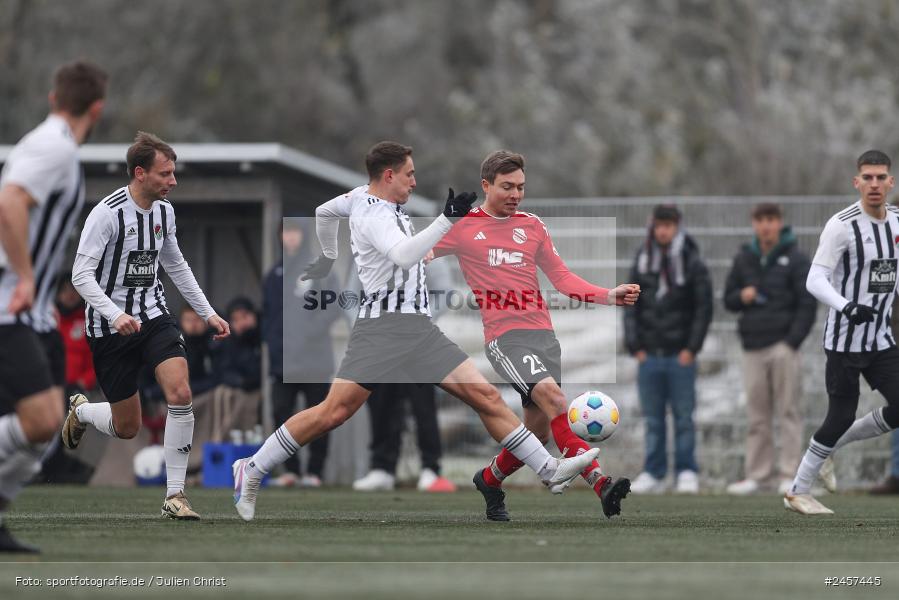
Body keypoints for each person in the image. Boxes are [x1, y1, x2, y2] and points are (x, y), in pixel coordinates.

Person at [232, 141, 599, 521]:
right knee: (332, 412)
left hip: (417, 328)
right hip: (383, 329)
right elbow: (403, 255)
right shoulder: (374, 215)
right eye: (409, 174)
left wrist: (326, 256)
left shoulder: (359, 196)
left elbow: (323, 211)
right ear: (388, 175)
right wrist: (446, 220)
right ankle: (253, 467)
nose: (414, 181)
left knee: (487, 396)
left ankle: (549, 470)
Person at [430, 150, 638, 520]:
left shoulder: (533, 226)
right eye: (507, 187)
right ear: (486, 185)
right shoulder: (464, 227)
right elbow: (417, 255)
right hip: (505, 338)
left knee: (538, 435)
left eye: (521, 187)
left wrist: (607, 294)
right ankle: (601, 484)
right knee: (557, 400)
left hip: (544, 336)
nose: (515, 194)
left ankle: (489, 480)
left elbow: (562, 278)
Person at [63, 132, 230, 520]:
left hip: (154, 316)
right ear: (140, 173)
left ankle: (175, 494)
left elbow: (176, 265)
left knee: (180, 390)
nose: (173, 181)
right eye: (166, 173)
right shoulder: (106, 214)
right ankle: (84, 412)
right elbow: (80, 275)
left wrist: (207, 312)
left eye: (174, 173)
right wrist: (114, 314)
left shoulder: (164, 212)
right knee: (128, 427)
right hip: (109, 328)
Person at [0, 60, 107, 553]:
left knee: (43, 431)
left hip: (34, 315)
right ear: (98, 108)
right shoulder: (53, 146)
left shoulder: (55, 145)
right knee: (43, 420)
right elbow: (10, 201)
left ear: (52, 97)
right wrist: (23, 275)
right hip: (10, 308)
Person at [785, 150, 899, 515]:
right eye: (868, 177)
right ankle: (798, 491)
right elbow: (814, 279)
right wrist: (847, 306)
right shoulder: (842, 225)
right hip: (845, 340)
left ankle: (831, 447)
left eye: (881, 177)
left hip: (881, 339)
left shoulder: (897, 222)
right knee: (840, 416)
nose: (875, 184)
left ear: (891, 182)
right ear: (857, 182)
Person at [723, 203, 816, 495]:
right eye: (761, 220)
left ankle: (790, 474)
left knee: (789, 412)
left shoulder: (796, 258)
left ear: (780, 223)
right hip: (752, 348)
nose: (766, 225)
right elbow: (728, 299)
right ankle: (758, 475)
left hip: (783, 347)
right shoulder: (743, 258)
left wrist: (792, 342)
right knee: (757, 415)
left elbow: (807, 303)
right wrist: (742, 295)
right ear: (754, 223)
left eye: (771, 220)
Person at [625, 204, 713, 494]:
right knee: (652, 419)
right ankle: (654, 472)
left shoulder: (692, 262)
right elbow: (630, 305)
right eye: (658, 225)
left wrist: (692, 348)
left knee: (684, 416)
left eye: (668, 225)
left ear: (677, 227)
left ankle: (687, 471)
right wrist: (635, 346)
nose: (662, 231)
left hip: (681, 355)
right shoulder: (642, 259)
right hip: (649, 354)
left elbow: (703, 307)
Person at [262, 220, 339, 488]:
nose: (290, 237)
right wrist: (272, 341)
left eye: (295, 231)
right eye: (285, 231)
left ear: (303, 235)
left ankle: (314, 472)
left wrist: (309, 331)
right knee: (281, 411)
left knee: (320, 415)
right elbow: (268, 315)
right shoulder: (274, 274)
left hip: (314, 359)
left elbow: (334, 306)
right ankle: (291, 471)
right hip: (283, 361)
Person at [214, 297, 262, 392]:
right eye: (236, 320)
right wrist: (241, 382)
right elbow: (225, 371)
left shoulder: (266, 336)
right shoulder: (229, 343)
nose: (242, 323)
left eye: (245, 316)